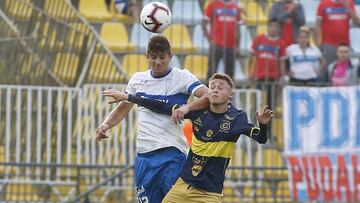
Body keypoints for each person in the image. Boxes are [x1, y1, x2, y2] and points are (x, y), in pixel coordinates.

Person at [100, 73, 273, 202]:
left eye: (221, 87)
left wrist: (263, 125)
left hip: (209, 193)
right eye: (212, 86)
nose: (215, 89)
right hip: (183, 185)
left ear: (230, 95)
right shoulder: (197, 111)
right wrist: (128, 97)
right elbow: (160, 106)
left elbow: (261, 138)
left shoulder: (236, 118)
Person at [95, 35, 209, 203]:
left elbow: (208, 95)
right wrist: (105, 125)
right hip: (144, 156)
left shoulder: (182, 77)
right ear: (147, 56)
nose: (158, 62)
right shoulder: (137, 79)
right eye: (154, 57)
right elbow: (122, 109)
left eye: (162, 57)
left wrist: (187, 107)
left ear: (170, 56)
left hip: (172, 153)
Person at [315, 0, 360, 80]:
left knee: (348, 72)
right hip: (328, 44)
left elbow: (357, 23)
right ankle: (327, 89)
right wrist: (319, 43)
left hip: (345, 44)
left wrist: (348, 8)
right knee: (327, 71)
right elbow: (318, 24)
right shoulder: (323, 4)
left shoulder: (349, 3)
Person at [203, 0, 243, 80]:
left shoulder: (236, 7)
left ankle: (227, 92)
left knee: (229, 75)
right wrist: (210, 40)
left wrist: (237, 46)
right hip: (216, 44)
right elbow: (204, 23)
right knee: (211, 72)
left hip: (231, 46)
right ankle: (209, 91)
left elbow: (238, 28)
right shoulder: (213, 5)